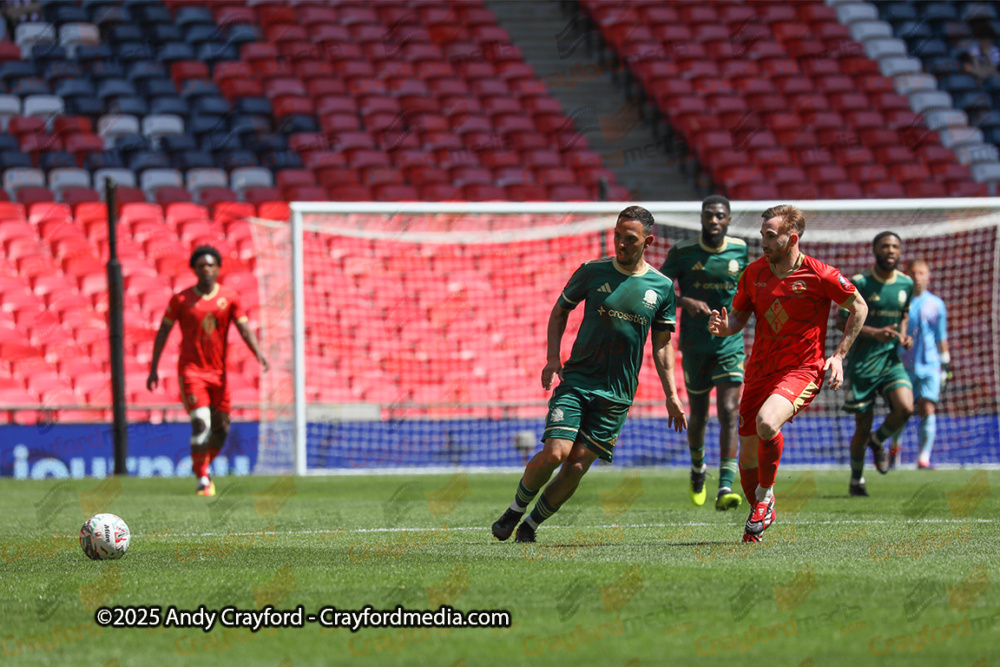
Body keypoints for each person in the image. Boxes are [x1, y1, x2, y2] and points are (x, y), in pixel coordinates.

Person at [491, 206, 687, 543]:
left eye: (631, 239)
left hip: (618, 394)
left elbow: (662, 346)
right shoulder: (592, 271)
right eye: (617, 236)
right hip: (578, 381)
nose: (621, 244)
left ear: (648, 242)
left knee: (577, 465)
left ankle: (530, 526)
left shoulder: (662, 287)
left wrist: (672, 395)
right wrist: (553, 358)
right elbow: (559, 311)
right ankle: (514, 509)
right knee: (556, 453)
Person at [708, 205, 867, 543]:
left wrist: (838, 357)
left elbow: (859, 307)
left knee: (767, 423)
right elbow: (738, 319)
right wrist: (725, 329)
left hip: (802, 370)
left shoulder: (820, 274)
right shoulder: (753, 273)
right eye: (761, 234)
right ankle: (759, 514)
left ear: (791, 238)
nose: (762, 241)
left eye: (769, 236)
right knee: (747, 456)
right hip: (759, 370)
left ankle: (766, 497)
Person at [147, 246, 269, 496]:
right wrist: (153, 368)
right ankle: (202, 478)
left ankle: (201, 465)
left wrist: (259, 353)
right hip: (191, 371)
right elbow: (163, 333)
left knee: (221, 429)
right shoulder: (181, 300)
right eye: (201, 265)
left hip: (219, 374)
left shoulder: (230, 298)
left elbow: (244, 328)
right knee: (201, 423)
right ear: (194, 269)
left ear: (218, 269)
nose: (206, 269)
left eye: (211, 265)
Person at [661, 195, 747, 511]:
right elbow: (660, 287)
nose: (714, 220)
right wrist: (686, 302)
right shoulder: (683, 252)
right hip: (696, 345)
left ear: (727, 220)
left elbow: (752, 287)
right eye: (709, 215)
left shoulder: (742, 250)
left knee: (729, 409)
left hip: (729, 343)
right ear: (701, 218)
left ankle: (726, 485)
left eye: (720, 216)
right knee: (698, 415)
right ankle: (698, 469)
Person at [837, 232, 914, 497]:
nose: (891, 250)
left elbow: (903, 314)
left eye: (895, 246)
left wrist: (903, 336)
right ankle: (856, 480)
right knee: (862, 425)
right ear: (875, 250)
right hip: (862, 363)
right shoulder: (860, 283)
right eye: (885, 246)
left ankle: (877, 441)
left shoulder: (906, 283)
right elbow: (839, 321)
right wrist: (874, 333)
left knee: (905, 407)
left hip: (891, 361)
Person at [892, 259, 950, 470]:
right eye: (914, 273)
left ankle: (923, 458)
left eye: (921, 273)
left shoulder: (936, 304)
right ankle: (894, 451)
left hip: (930, 366)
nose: (917, 277)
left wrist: (946, 365)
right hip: (903, 366)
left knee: (927, 408)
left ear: (928, 276)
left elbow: (940, 337)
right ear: (908, 276)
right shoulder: (900, 302)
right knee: (902, 411)